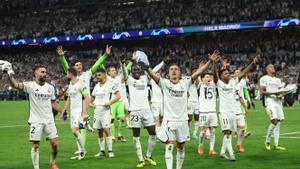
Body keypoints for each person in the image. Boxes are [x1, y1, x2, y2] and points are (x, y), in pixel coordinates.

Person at [146, 50, 220, 169]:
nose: (174, 71)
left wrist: (210, 61)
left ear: (180, 73)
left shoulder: (185, 83)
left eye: (176, 69)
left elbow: (199, 72)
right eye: (171, 69)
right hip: (169, 121)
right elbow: (152, 75)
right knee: (169, 146)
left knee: (181, 147)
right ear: (168, 73)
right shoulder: (164, 83)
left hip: (182, 121)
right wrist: (147, 68)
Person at [6, 64, 64, 169]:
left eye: (45, 72)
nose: (45, 74)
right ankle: (36, 167)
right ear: (36, 73)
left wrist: (63, 111)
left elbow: (53, 103)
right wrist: (10, 74)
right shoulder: (30, 85)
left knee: (55, 144)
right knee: (36, 146)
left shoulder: (50, 88)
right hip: (36, 120)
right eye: (42, 72)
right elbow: (15, 85)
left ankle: (52, 163)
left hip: (49, 120)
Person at [56, 45, 112, 152]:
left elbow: (97, 64)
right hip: (76, 103)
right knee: (77, 128)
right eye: (77, 65)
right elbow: (65, 66)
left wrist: (105, 55)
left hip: (85, 103)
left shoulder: (87, 74)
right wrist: (62, 57)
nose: (79, 66)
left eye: (80, 65)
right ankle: (83, 142)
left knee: (79, 128)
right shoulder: (72, 76)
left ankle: (81, 149)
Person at [212, 55, 260, 161]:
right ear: (221, 76)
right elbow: (214, 75)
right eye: (225, 73)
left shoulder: (234, 82)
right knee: (227, 132)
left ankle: (222, 152)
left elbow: (244, 72)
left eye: (228, 73)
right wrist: (214, 63)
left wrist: (253, 63)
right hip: (223, 112)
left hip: (233, 113)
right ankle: (231, 154)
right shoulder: (219, 83)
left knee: (228, 134)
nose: (228, 75)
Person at [120, 57, 157, 168]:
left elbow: (154, 71)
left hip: (146, 110)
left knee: (153, 133)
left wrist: (163, 62)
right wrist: (122, 63)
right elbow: (124, 73)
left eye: (138, 70)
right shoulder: (129, 80)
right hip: (135, 111)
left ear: (141, 71)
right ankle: (141, 160)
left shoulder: (145, 79)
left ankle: (148, 156)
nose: (136, 71)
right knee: (136, 136)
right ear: (131, 72)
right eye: (134, 70)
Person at [91, 68, 121, 158]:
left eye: (99, 75)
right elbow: (91, 99)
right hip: (97, 111)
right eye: (97, 75)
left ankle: (110, 151)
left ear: (104, 75)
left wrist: (109, 103)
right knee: (99, 131)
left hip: (105, 111)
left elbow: (118, 95)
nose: (98, 77)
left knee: (106, 129)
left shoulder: (110, 84)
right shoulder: (96, 86)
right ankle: (102, 151)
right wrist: (91, 104)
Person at [63, 68, 90, 160]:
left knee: (75, 130)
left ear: (71, 74)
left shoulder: (80, 84)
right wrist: (64, 109)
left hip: (79, 111)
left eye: (67, 73)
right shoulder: (70, 84)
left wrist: (85, 113)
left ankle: (83, 151)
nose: (66, 75)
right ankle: (80, 152)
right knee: (75, 133)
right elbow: (69, 98)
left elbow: (87, 97)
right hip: (72, 111)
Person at [259, 64, 287, 150]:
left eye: (273, 67)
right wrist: (274, 93)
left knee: (278, 123)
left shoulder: (278, 80)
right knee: (274, 120)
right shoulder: (264, 78)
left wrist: (282, 94)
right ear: (267, 69)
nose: (273, 68)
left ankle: (276, 144)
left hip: (278, 102)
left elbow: (280, 92)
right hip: (270, 102)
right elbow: (262, 92)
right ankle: (267, 141)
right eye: (271, 67)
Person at [197, 73, 218, 155]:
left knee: (213, 131)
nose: (208, 78)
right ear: (203, 79)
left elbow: (216, 77)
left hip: (212, 111)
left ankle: (211, 149)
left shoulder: (213, 85)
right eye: (206, 77)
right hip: (203, 112)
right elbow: (197, 78)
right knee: (202, 131)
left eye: (209, 77)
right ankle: (200, 146)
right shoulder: (200, 85)